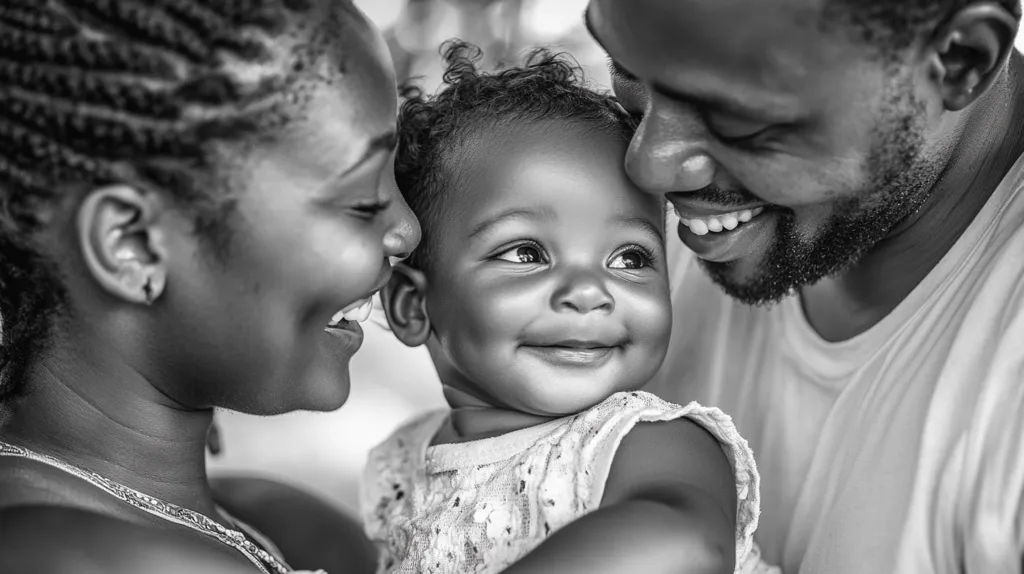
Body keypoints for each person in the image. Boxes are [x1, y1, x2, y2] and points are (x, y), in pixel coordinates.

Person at [585, 0, 1024, 572]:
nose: (649, 166)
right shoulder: (614, 238)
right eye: (626, 70)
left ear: (960, 59)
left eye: (737, 117)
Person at [0, 1, 419, 573]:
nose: (407, 229)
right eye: (363, 200)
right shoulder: (79, 558)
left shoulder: (272, 518)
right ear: (134, 244)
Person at [361, 43, 779, 574]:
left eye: (629, 258)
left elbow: (685, 541)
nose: (588, 292)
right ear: (412, 305)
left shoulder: (646, 440)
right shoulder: (401, 464)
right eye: (527, 254)